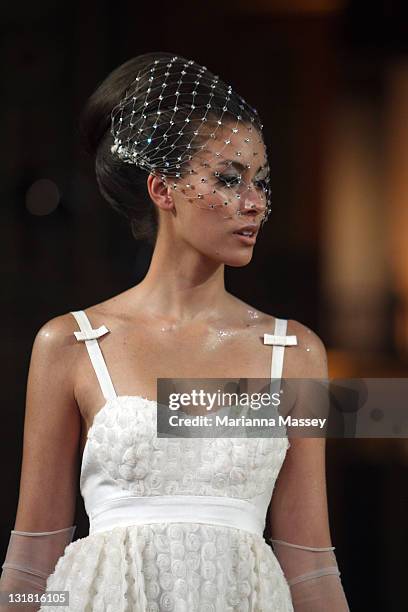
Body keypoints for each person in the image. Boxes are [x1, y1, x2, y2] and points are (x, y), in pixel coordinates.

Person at [0, 52, 350, 611]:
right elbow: (34, 562)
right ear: (163, 190)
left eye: (260, 181)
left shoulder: (293, 351)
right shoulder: (71, 343)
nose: (254, 202)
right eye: (228, 179)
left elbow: (308, 561)